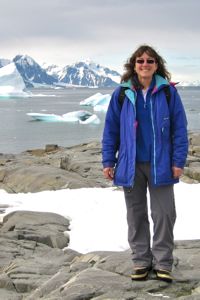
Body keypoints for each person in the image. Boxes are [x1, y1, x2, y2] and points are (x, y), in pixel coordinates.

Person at [102, 45, 188, 282]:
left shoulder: (168, 93)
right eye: (140, 61)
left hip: (161, 164)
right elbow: (111, 130)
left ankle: (163, 263)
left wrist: (178, 161)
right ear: (134, 65)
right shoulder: (121, 93)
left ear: (156, 65)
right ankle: (141, 261)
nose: (145, 64)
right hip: (131, 165)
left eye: (150, 61)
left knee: (164, 214)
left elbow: (179, 130)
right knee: (136, 214)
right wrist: (108, 160)